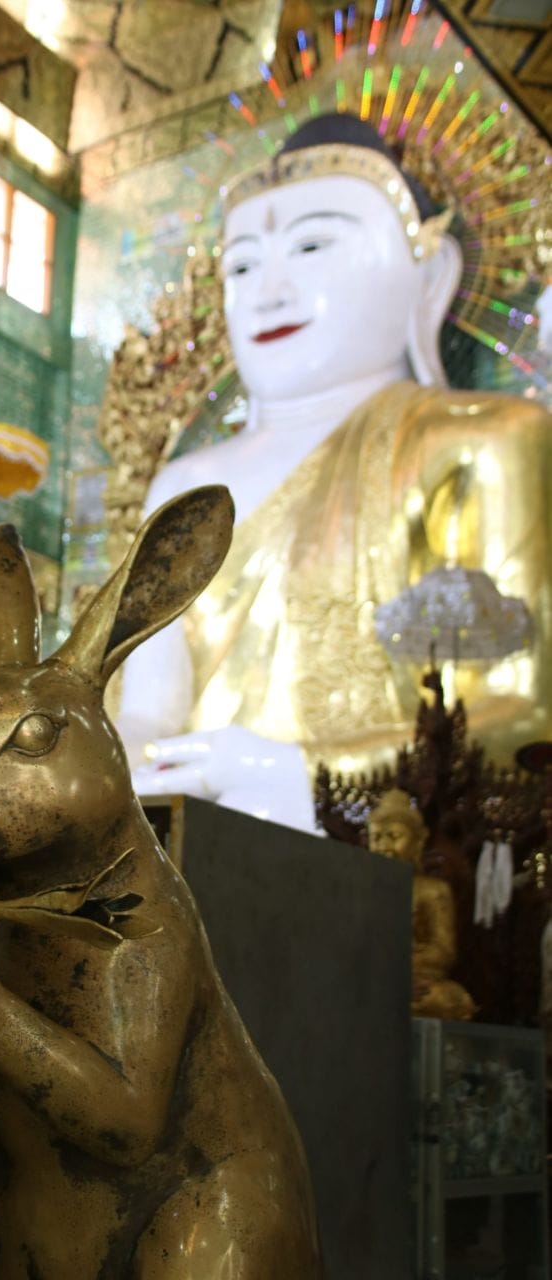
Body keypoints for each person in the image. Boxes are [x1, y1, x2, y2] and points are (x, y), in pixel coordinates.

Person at [118, 113, 551, 832]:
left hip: (390, 842)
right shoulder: (181, 486)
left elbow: (525, 718)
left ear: (428, 274)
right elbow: (145, 716)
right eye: (242, 266)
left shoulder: (483, 440)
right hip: (189, 831)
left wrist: (298, 776)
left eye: (313, 245)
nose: (268, 291)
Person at [368, 789, 475, 1020]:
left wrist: (401, 971)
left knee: (449, 999)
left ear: (417, 842)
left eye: (394, 836)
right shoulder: (360, 893)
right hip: (372, 982)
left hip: (417, 982)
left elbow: (443, 950)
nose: (383, 846)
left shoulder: (433, 891)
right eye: (376, 837)